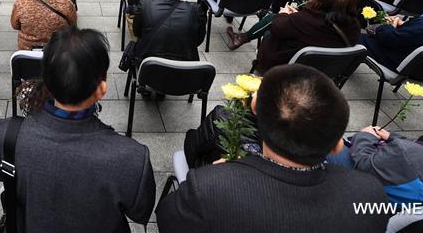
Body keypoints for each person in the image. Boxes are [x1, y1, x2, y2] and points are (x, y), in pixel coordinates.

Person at [156, 64, 390, 233]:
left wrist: (223, 175)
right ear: (338, 145)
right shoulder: (370, 193)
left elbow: (167, 218)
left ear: (254, 106)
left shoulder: (208, 189)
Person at [0, 26, 156, 233]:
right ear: (101, 89)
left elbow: (2, 174)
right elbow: (140, 212)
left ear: (46, 79)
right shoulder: (133, 158)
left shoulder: (3, 136)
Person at [254, 0, 361, 72]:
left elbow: (276, 27)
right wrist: (296, 17)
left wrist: (283, 14)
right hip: (327, 71)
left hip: (289, 68)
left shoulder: (304, 20)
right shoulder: (354, 25)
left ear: (321, 2)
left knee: (269, 32)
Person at [132, 0, 205, 66]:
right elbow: (198, 40)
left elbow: (137, 32)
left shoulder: (145, 4)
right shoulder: (196, 10)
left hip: (149, 68)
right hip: (184, 70)